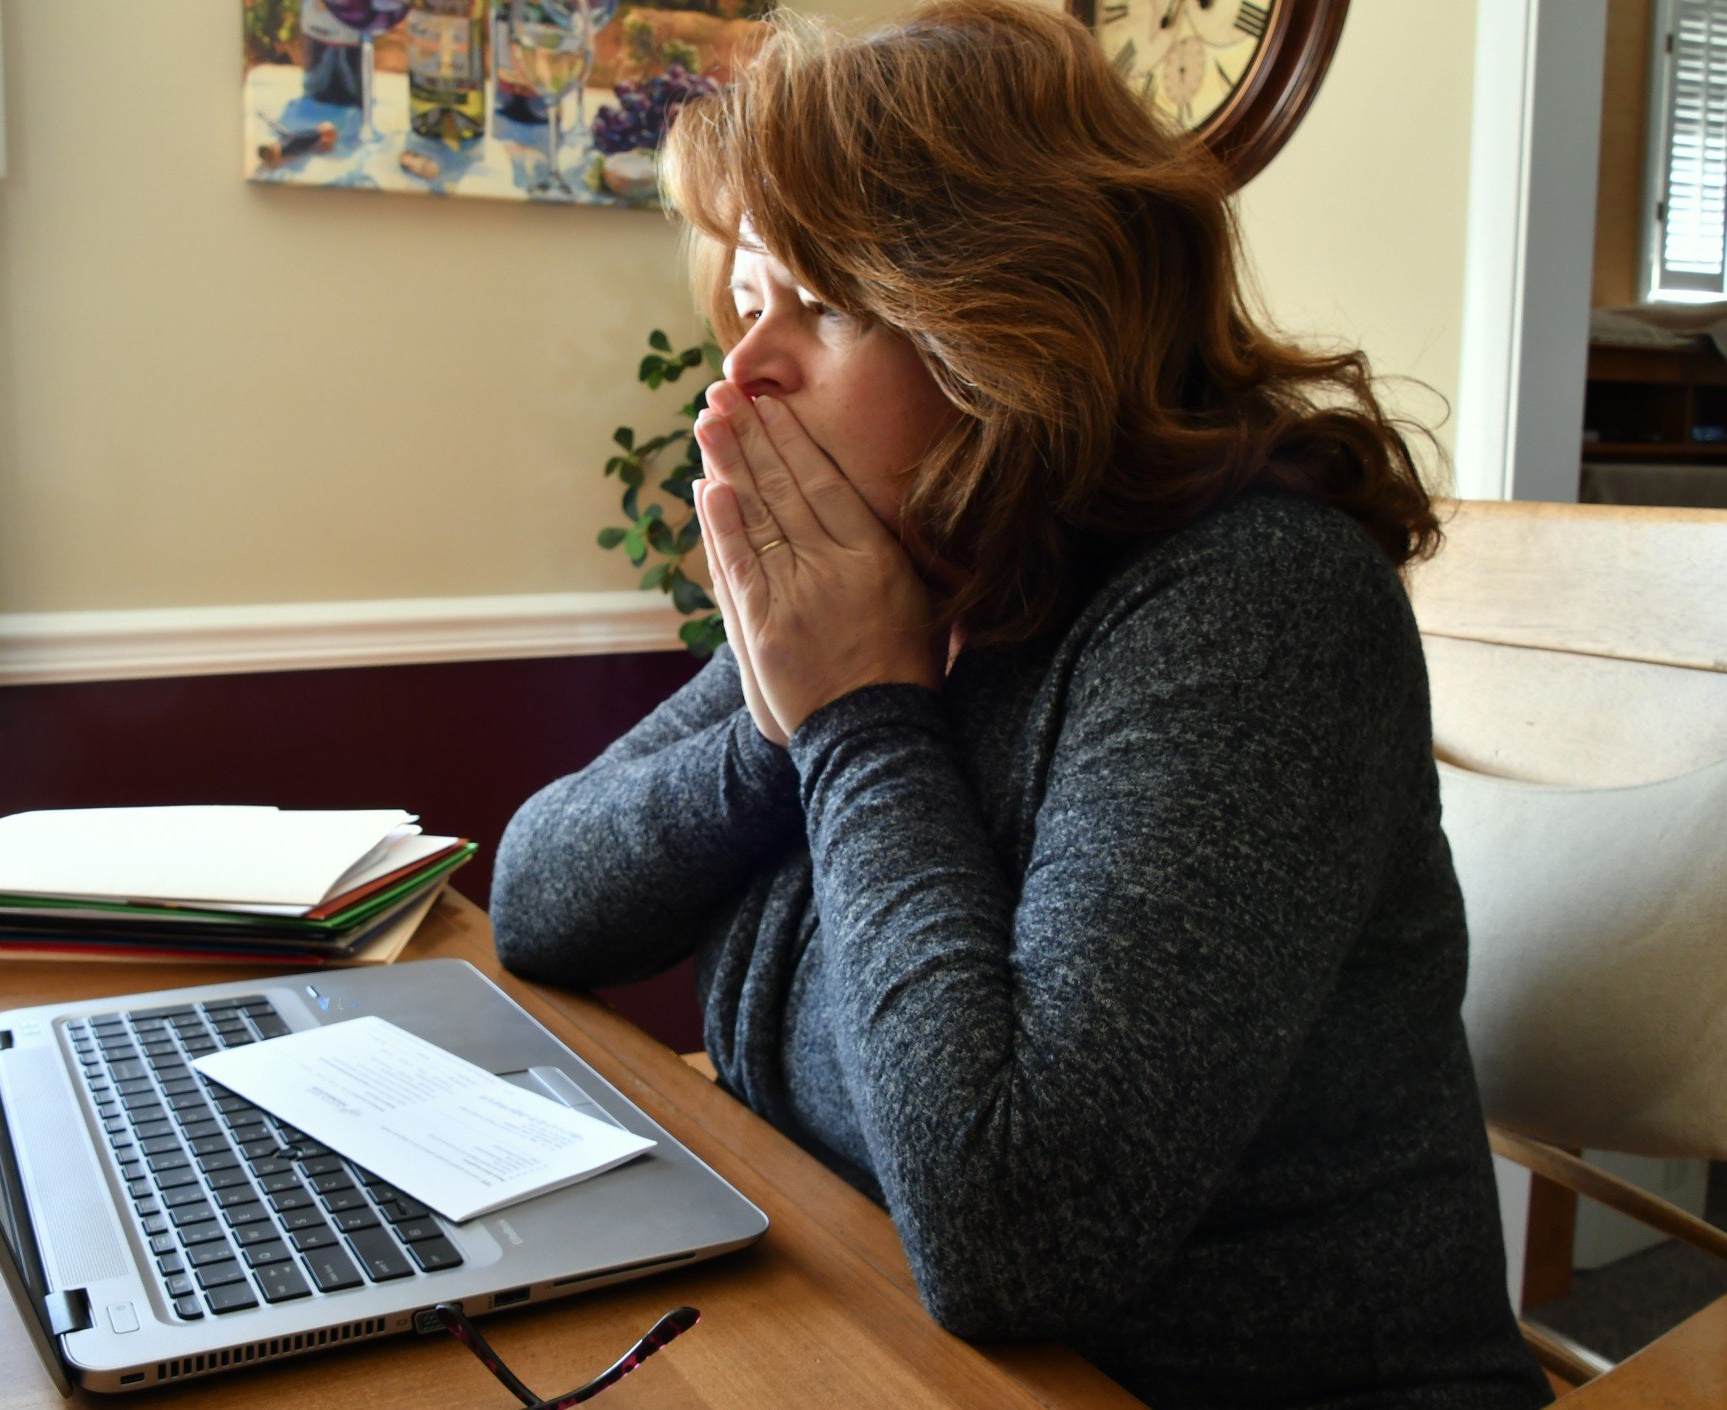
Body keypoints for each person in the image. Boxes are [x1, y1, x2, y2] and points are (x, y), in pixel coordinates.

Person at [489, 3, 1553, 1406]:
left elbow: (1015, 1222)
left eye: (820, 305)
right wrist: (784, 720)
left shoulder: (1254, 609)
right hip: (864, 1324)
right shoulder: (906, 571)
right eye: (747, 303)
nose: (742, 373)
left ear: (1012, 324)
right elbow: (536, 896)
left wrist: (861, 721)